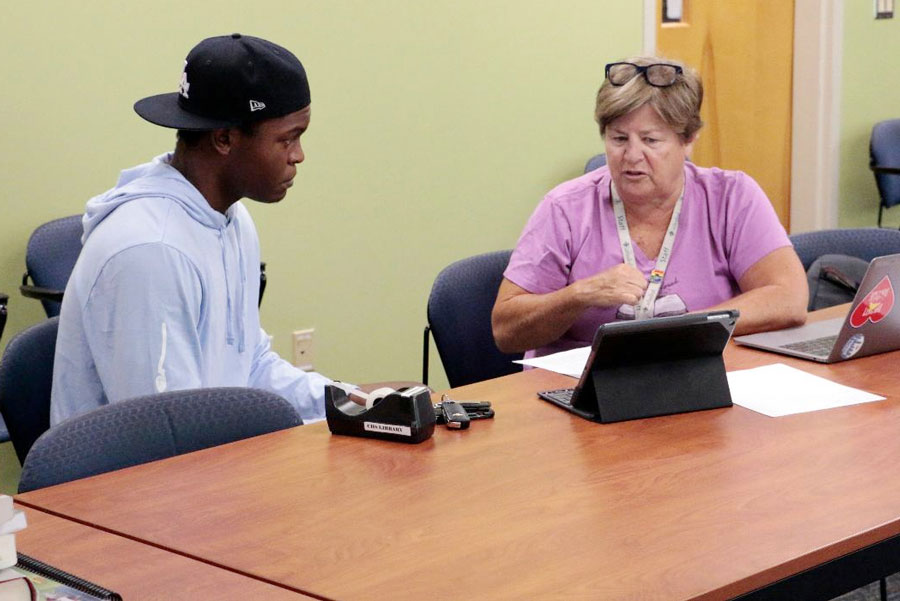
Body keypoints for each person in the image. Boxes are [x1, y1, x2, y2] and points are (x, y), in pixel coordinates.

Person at [50, 34, 332, 426]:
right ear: (224, 139)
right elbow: (168, 433)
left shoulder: (230, 220)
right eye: (287, 138)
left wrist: (346, 403)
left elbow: (250, 365)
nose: (298, 155)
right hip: (129, 482)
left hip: (203, 464)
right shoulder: (151, 251)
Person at [492, 56, 808, 359]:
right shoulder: (565, 209)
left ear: (689, 140)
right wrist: (579, 295)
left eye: (651, 140)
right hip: (578, 388)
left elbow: (788, 298)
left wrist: (681, 331)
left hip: (689, 376)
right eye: (618, 139)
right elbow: (506, 331)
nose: (631, 156)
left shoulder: (731, 196)